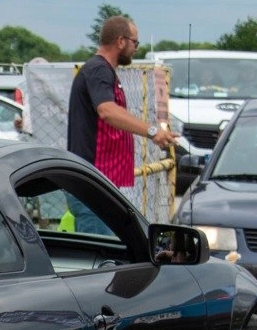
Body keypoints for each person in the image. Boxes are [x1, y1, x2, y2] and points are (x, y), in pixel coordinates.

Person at [66, 15, 175, 233]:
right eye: (135, 42)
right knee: (97, 259)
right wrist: (152, 131)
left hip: (100, 183)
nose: (136, 48)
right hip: (91, 184)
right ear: (120, 41)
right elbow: (107, 111)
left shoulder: (104, 70)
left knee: (108, 255)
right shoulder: (98, 69)